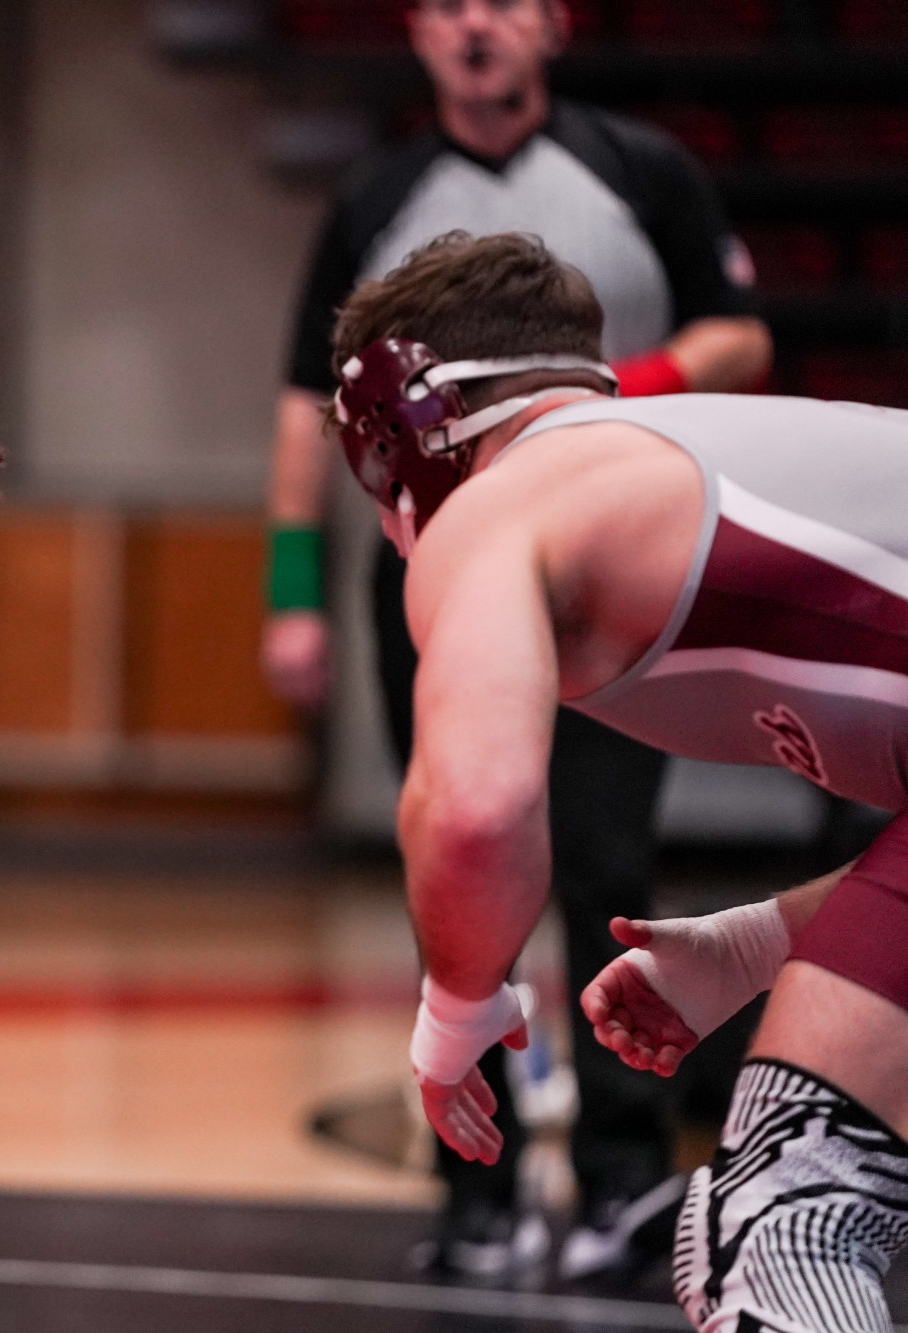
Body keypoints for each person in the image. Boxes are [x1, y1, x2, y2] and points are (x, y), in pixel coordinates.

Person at [261, 0, 771, 1280]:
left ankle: (619, 1182)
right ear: (418, 35)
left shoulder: (640, 169)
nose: (473, 27)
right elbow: (296, 405)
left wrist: (567, 411)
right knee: (454, 855)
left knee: (604, 867)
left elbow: (742, 340)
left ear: (551, 27)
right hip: (431, 558)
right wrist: (291, 589)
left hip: (608, 570)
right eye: (446, 7)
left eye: (501, 3)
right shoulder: (379, 191)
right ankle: (474, 1188)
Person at [327, 229, 908, 1333]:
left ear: (413, 429)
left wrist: (457, 1014)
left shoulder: (505, 504)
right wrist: (752, 941)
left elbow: (473, 807)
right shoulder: (695, 454)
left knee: (779, 1229)